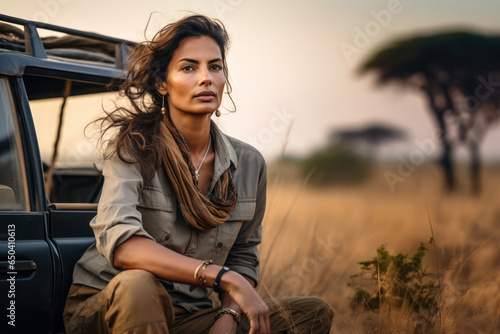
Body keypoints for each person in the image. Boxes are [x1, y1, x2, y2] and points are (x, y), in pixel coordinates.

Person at [63, 14, 333, 334]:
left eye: (215, 67)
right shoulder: (134, 148)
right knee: (140, 285)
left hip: (192, 313)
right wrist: (220, 276)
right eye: (189, 67)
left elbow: (244, 256)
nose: (205, 78)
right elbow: (123, 245)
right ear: (163, 83)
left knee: (312, 314)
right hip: (110, 306)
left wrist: (229, 315)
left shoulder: (249, 163)